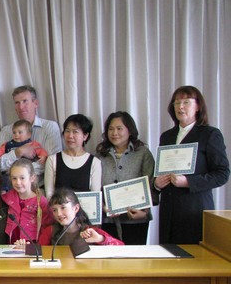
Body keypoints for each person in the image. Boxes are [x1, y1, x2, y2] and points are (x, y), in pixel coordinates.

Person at [155, 85, 229, 244]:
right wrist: (157, 183)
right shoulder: (166, 136)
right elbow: (162, 169)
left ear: (198, 106)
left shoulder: (210, 134)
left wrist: (188, 181)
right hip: (168, 210)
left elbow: (222, 174)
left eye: (186, 102)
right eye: (176, 103)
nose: (180, 107)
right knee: (169, 258)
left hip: (194, 209)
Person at [95, 111, 158, 245]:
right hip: (108, 220)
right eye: (110, 129)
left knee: (134, 262)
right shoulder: (100, 154)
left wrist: (144, 211)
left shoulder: (143, 153)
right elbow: (93, 186)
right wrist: (103, 207)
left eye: (119, 128)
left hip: (136, 219)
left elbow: (151, 183)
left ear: (130, 131)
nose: (114, 133)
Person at [0, 85, 63, 186]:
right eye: (17, 103)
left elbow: (52, 164)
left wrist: (18, 171)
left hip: (38, 189)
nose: (21, 107)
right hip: (10, 189)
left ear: (35, 103)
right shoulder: (6, 131)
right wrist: (17, 152)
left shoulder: (50, 127)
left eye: (25, 101)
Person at [38, 187, 124, 246]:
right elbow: (38, 253)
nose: (59, 214)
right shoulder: (49, 231)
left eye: (63, 208)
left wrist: (100, 239)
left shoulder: (90, 231)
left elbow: (121, 246)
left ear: (76, 208)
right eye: (54, 210)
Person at [44, 114, 101, 199]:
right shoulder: (52, 160)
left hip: (85, 211)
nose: (70, 136)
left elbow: (95, 196)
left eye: (75, 132)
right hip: (58, 210)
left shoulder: (95, 162)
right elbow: (49, 194)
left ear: (85, 136)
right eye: (67, 131)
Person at [2, 158, 53, 244]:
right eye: (14, 178)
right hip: (12, 242)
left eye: (22, 178)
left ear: (32, 178)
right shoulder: (8, 197)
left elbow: (47, 226)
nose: (18, 182)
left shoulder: (41, 202)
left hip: (32, 244)